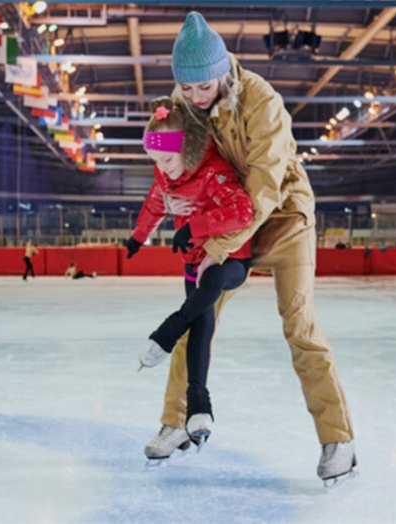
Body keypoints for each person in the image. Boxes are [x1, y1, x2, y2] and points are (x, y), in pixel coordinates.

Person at [143, 11, 356, 482]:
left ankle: (337, 438)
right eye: (187, 88)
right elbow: (177, 165)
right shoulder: (184, 101)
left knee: (300, 326)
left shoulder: (263, 102)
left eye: (203, 87)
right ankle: (175, 423)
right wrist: (184, 214)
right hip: (227, 219)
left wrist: (215, 244)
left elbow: (261, 191)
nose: (195, 98)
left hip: (282, 218)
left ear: (222, 70)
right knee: (199, 314)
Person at [125, 97, 253, 449]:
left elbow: (243, 211)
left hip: (230, 258)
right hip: (194, 260)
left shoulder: (213, 171)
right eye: (156, 161)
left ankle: (167, 332)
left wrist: (194, 225)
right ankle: (196, 408)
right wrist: (138, 237)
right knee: (201, 323)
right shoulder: (165, 173)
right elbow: (155, 198)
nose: (163, 169)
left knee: (209, 286)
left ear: (188, 147)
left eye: (167, 159)